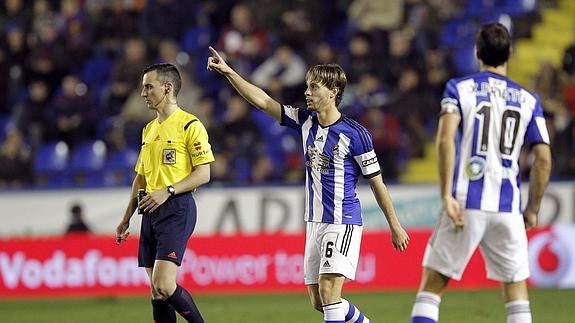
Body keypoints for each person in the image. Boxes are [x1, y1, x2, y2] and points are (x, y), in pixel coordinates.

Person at [208, 46, 409, 323]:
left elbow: (377, 183)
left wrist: (395, 225)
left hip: (342, 221)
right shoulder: (305, 122)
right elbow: (264, 101)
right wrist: (230, 72)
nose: (307, 93)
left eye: (313, 87)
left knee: (329, 293)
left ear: (333, 92)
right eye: (307, 87)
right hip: (314, 221)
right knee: (319, 301)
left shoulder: (356, 134)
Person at [410, 23, 552, 323]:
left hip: (466, 202)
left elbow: (445, 138)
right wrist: (532, 209)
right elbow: (543, 159)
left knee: (432, 287)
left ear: (477, 53)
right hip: (508, 209)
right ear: (509, 53)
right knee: (516, 293)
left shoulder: (459, 88)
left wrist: (446, 194)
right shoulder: (529, 100)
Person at [115, 63, 214, 323]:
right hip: (149, 210)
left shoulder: (189, 125)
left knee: (165, 284)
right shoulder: (148, 130)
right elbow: (141, 177)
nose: (143, 93)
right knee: (157, 292)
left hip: (176, 208)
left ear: (167, 88)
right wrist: (126, 218)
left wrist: (168, 191)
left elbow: (203, 173)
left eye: (149, 86)